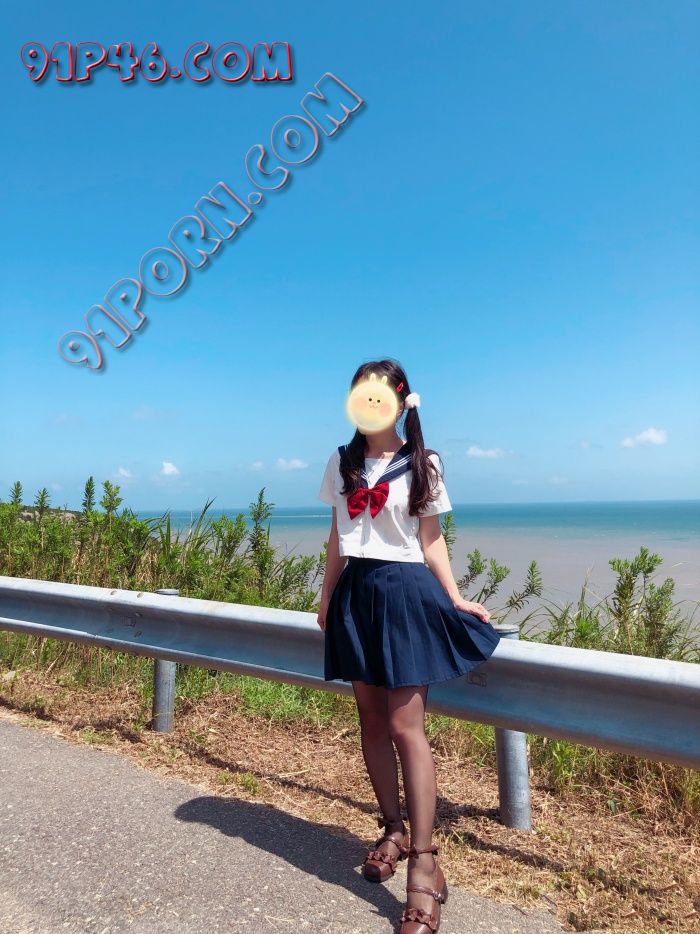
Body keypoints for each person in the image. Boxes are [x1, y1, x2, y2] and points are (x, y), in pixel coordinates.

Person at [316, 358, 501, 934]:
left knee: (404, 726)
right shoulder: (341, 461)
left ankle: (424, 862)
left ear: (399, 400)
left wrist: (456, 597)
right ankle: (392, 829)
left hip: (405, 592)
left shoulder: (424, 462)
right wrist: (326, 597)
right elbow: (337, 534)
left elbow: (431, 538)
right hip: (357, 594)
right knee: (371, 721)